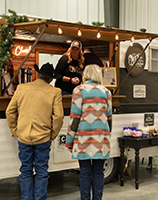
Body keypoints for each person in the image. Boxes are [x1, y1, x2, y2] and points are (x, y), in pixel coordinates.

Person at [6, 62, 64, 200]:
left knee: (25, 170)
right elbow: (59, 116)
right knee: (42, 171)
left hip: (24, 136)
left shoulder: (21, 88)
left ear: (38, 74)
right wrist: (53, 134)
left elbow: (10, 112)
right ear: (51, 79)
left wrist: (15, 131)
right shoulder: (55, 92)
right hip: (43, 137)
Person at [65, 64, 112, 200]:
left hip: (83, 139)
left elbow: (74, 118)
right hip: (101, 139)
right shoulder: (106, 92)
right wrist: (106, 136)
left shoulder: (79, 90)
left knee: (84, 173)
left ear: (85, 75)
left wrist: (69, 141)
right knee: (98, 173)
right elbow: (109, 118)